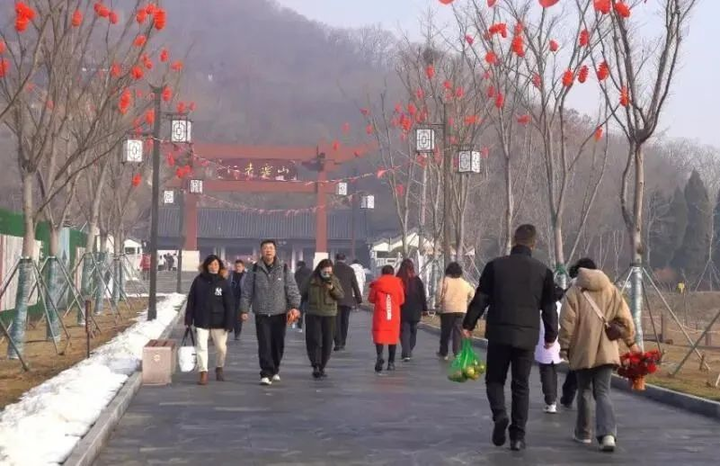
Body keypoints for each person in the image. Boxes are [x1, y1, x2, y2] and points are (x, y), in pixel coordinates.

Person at [462, 224, 558, 452]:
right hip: (527, 336)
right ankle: (517, 437)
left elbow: (481, 298)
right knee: (521, 385)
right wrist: (551, 334)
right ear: (534, 244)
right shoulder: (543, 272)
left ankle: (499, 414)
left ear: (514, 240)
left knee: (495, 380)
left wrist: (468, 324)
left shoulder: (495, 266)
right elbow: (549, 307)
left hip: (499, 332)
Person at [559, 261, 639, 452]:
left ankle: (583, 433)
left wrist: (564, 348)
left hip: (582, 349)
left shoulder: (573, 292)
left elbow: (567, 323)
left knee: (584, 390)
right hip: (607, 349)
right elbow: (625, 319)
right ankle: (608, 435)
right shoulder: (611, 290)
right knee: (603, 392)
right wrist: (631, 342)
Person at [240, 239, 301, 386]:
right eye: (265, 248)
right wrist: (244, 309)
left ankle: (275, 368)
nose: (268, 250)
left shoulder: (284, 269)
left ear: (275, 251)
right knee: (264, 344)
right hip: (262, 313)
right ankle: (266, 373)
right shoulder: (254, 270)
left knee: (277, 344)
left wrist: (294, 306)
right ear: (261, 251)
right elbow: (247, 291)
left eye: (271, 248)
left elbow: (292, 289)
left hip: (280, 312)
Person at [184, 254, 237, 385]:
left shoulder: (223, 282)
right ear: (206, 266)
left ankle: (219, 367)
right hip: (201, 319)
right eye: (211, 264)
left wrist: (230, 322)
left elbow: (230, 304)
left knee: (221, 348)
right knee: (201, 346)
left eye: (216, 264)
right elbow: (191, 300)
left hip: (219, 320)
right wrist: (188, 318)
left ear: (220, 267)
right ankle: (203, 372)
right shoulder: (198, 281)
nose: (214, 266)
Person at [560, 258, 597, 409]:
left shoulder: (573, 287)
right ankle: (600, 401)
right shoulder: (605, 286)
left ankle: (568, 396)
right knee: (597, 371)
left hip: (579, 334)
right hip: (599, 336)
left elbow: (567, 318)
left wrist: (564, 344)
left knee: (576, 369)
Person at [301, 259, 344, 378]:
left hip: (329, 314)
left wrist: (332, 288)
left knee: (327, 341)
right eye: (325, 272)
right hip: (313, 313)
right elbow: (302, 293)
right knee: (313, 340)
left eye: (329, 272)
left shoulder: (334, 280)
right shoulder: (311, 279)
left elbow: (341, 295)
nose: (327, 274)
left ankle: (322, 366)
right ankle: (315, 365)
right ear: (320, 269)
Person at [436, 262, 475, 360]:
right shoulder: (464, 283)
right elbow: (472, 293)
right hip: (461, 310)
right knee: (458, 332)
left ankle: (444, 352)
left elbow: (439, 294)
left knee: (446, 332)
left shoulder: (444, 281)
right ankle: (457, 352)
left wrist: (438, 303)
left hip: (447, 310)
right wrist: (466, 302)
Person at [369, 265, 405, 373]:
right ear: (393, 273)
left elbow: (371, 298)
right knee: (392, 337)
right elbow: (401, 300)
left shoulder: (377, 284)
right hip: (393, 314)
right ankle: (391, 362)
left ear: (382, 273)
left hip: (381, 314)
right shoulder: (398, 284)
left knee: (379, 336)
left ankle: (379, 356)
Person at [397, 259, 427, 362]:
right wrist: (425, 309)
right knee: (413, 331)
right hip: (415, 310)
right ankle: (409, 349)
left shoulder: (398, 280)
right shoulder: (417, 280)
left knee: (404, 331)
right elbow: (422, 295)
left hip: (402, 309)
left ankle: (406, 352)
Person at [332, 253, 363, 351]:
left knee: (336, 322)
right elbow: (355, 285)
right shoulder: (350, 270)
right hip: (347, 299)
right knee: (345, 322)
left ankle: (337, 343)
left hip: (334, 299)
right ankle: (343, 342)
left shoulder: (331, 270)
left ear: (336, 259)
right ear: (345, 259)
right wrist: (358, 299)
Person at [228, 259, 246, 341]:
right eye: (236, 266)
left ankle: (237, 333)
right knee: (230, 315)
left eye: (239, 266)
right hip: (231, 298)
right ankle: (230, 328)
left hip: (241, 299)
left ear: (243, 267)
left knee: (238, 318)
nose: (238, 268)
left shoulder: (246, 276)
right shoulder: (231, 275)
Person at [294, 261, 312, 332]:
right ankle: (309, 326)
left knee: (300, 310)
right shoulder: (310, 271)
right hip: (309, 293)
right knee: (308, 311)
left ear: (299, 266)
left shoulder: (297, 273)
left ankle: (299, 326)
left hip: (300, 293)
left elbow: (295, 283)